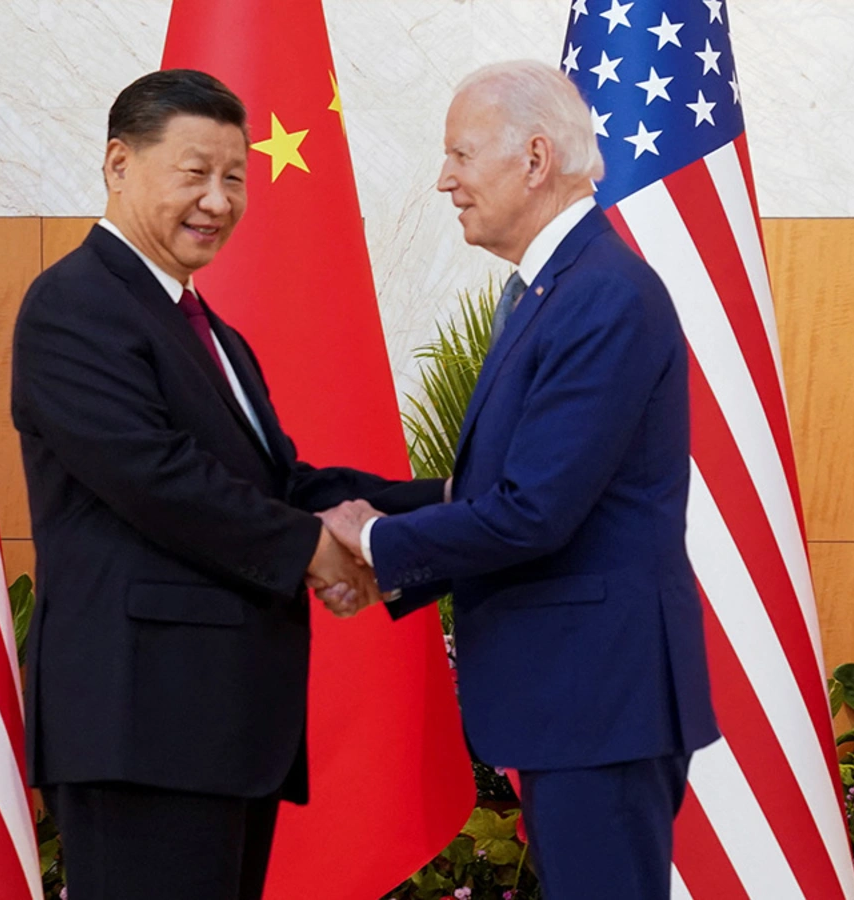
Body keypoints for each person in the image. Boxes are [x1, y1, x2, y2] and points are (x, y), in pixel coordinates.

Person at [10, 69, 443, 900]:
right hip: (141, 727)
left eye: (235, 176)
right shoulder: (74, 305)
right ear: (119, 164)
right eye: (194, 172)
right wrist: (315, 550)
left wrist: (457, 503)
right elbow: (158, 479)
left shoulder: (212, 332)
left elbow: (284, 482)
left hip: (216, 726)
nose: (218, 199)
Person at [320, 61, 720, 900]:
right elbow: (501, 487)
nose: (444, 181)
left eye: (461, 155)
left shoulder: (601, 295)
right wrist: (325, 497)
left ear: (535, 159)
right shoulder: (553, 290)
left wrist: (371, 541)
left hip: (597, 700)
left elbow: (533, 511)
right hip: (580, 699)